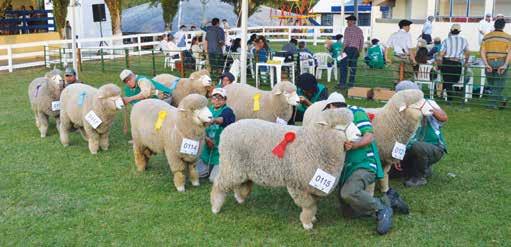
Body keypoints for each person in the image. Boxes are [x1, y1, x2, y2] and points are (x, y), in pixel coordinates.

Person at [321, 92, 392, 235]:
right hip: (346, 168)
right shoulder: (332, 121)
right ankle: (384, 201)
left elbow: (369, 136)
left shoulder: (356, 113)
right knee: (348, 212)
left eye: (328, 109)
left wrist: (354, 145)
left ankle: (382, 209)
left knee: (349, 193)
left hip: (364, 163)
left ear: (332, 106)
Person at [391, 81, 448, 187]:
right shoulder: (401, 110)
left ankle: (419, 177)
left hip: (433, 147)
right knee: (391, 172)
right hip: (406, 148)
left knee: (417, 147)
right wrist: (396, 157)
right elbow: (398, 135)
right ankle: (423, 169)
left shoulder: (428, 103)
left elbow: (444, 118)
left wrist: (426, 108)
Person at [197, 88, 235, 181]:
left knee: (214, 179)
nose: (217, 100)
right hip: (207, 150)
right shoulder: (207, 110)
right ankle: (208, 168)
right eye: (214, 98)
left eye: (220, 98)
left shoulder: (228, 111)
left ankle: (226, 167)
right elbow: (199, 128)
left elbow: (223, 119)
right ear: (211, 99)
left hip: (221, 151)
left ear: (225, 100)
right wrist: (206, 139)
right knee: (198, 174)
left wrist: (213, 120)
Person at [480, 19, 511, 109]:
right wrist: (505, 65)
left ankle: (501, 100)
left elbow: (482, 51)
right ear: (503, 26)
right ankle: (492, 105)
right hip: (502, 62)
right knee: (498, 85)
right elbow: (510, 52)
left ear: (494, 25)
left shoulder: (487, 37)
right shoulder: (508, 37)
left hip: (489, 62)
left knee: (493, 84)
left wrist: (486, 64)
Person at [439, 24, 469, 102]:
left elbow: (441, 54)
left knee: (447, 79)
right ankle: (448, 97)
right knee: (455, 79)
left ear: (451, 31)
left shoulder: (446, 40)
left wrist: (439, 61)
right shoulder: (464, 40)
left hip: (447, 61)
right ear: (459, 31)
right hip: (457, 63)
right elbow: (467, 53)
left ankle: (447, 95)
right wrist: (466, 62)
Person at [340, 15, 364, 89]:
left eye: (349, 21)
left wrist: (341, 50)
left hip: (348, 49)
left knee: (343, 66)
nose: (347, 22)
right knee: (353, 67)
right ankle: (351, 83)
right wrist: (359, 51)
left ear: (353, 21)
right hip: (355, 50)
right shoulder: (360, 30)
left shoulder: (347, 29)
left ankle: (342, 83)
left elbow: (346, 41)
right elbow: (362, 41)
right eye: (347, 21)